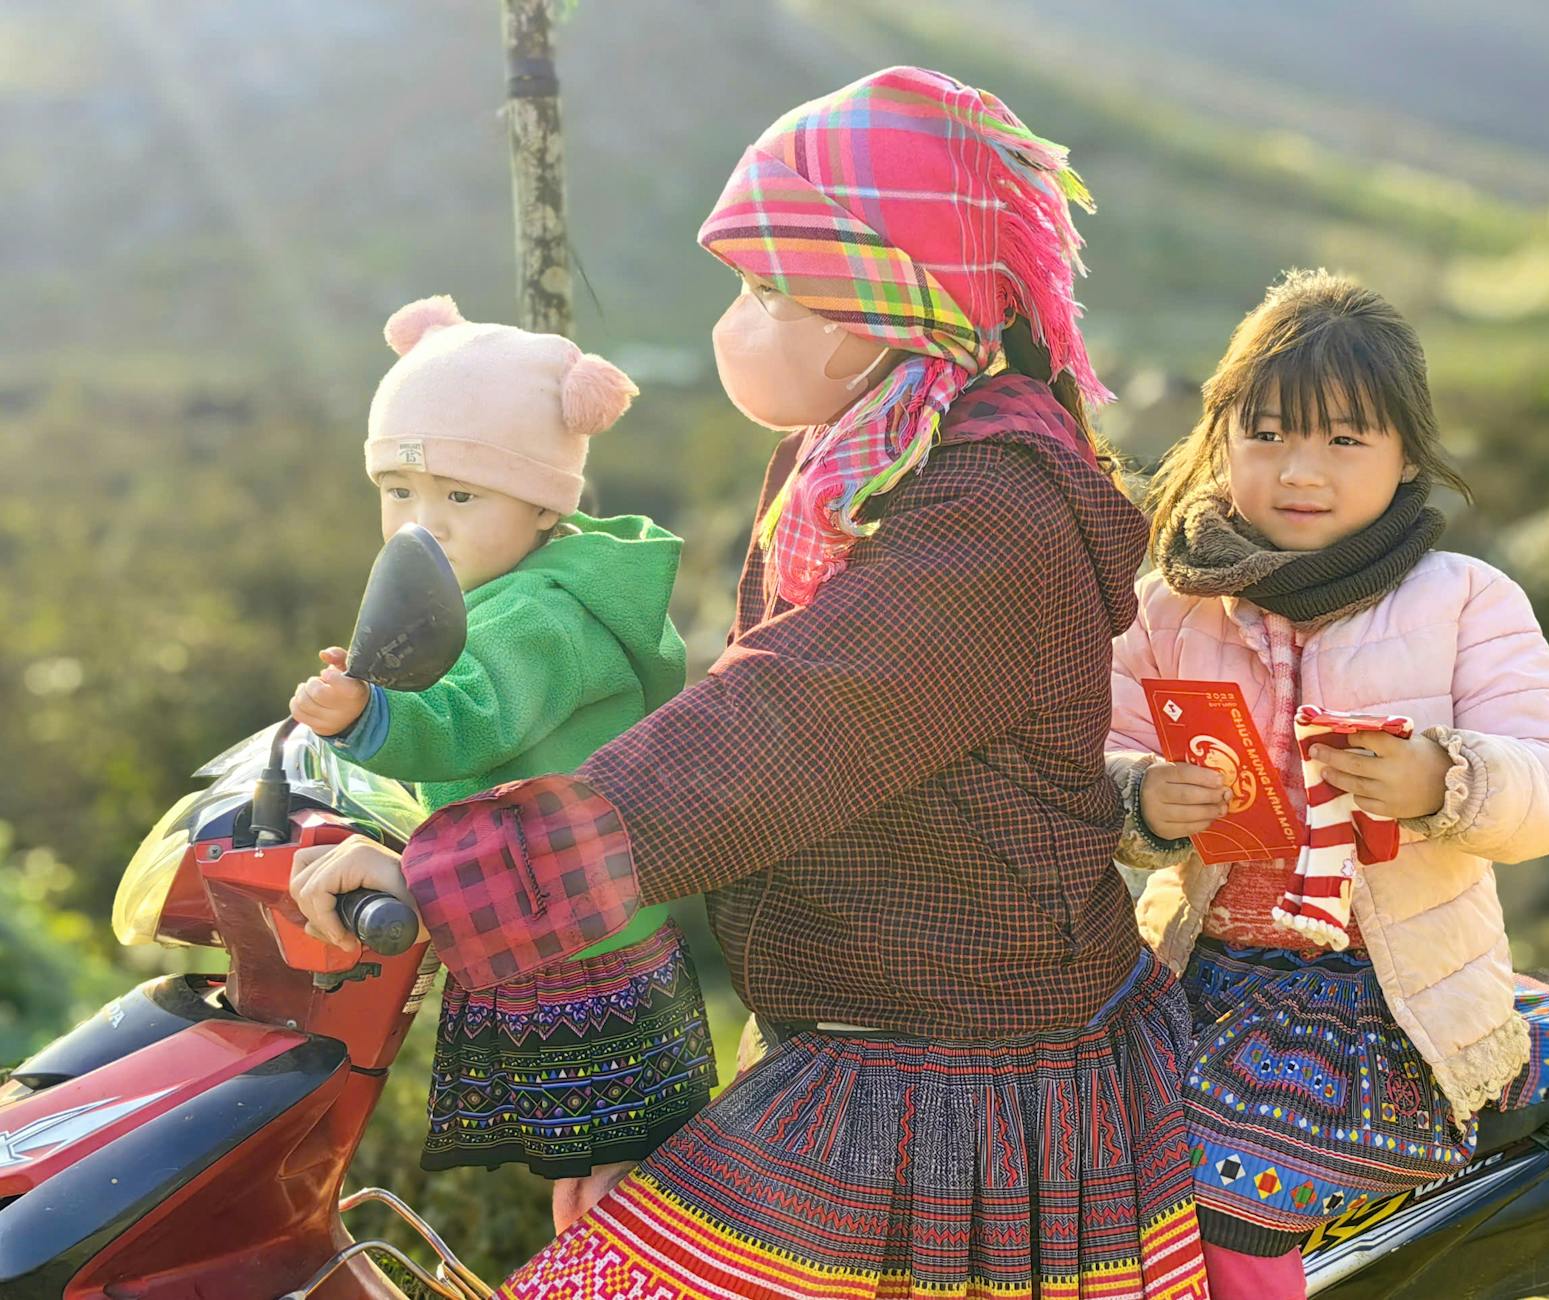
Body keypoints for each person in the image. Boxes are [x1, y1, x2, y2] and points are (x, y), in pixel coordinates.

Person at [291, 67, 1211, 1300]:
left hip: (963, 1082)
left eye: (768, 286)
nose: (741, 316)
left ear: (879, 300)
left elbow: (768, 732)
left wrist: (443, 872)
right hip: (861, 1032)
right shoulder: (855, 464)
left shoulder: (989, 513)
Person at [1109, 268, 1549, 1298]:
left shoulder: (1464, 599)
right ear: (1218, 439)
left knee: (1225, 1191)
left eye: (1344, 439)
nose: (1302, 470)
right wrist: (1140, 800)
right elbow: (1086, 766)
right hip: (1195, 975)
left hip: (1377, 1000)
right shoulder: (1165, 608)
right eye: (1268, 434)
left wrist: (1444, 779)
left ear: (1403, 452)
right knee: (1065, 1151)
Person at [288, 296, 716, 1231]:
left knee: (616, 1186)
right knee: (606, 1179)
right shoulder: (503, 591)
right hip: (556, 917)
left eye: (461, 496)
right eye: (400, 493)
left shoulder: (539, 615)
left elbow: (473, 714)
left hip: (573, 941)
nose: (425, 523)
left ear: (542, 501)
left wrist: (371, 716)